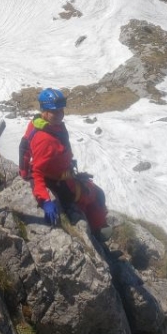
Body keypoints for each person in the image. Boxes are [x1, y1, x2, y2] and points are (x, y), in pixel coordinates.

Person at [19, 88, 108, 235]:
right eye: (55, 111)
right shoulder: (45, 139)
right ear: (44, 111)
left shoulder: (38, 123)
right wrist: (45, 201)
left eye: (61, 110)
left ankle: (96, 228)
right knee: (97, 195)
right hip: (61, 182)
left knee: (92, 194)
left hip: (63, 175)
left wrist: (23, 171)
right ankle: (99, 233)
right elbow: (37, 172)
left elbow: (24, 144)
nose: (60, 115)